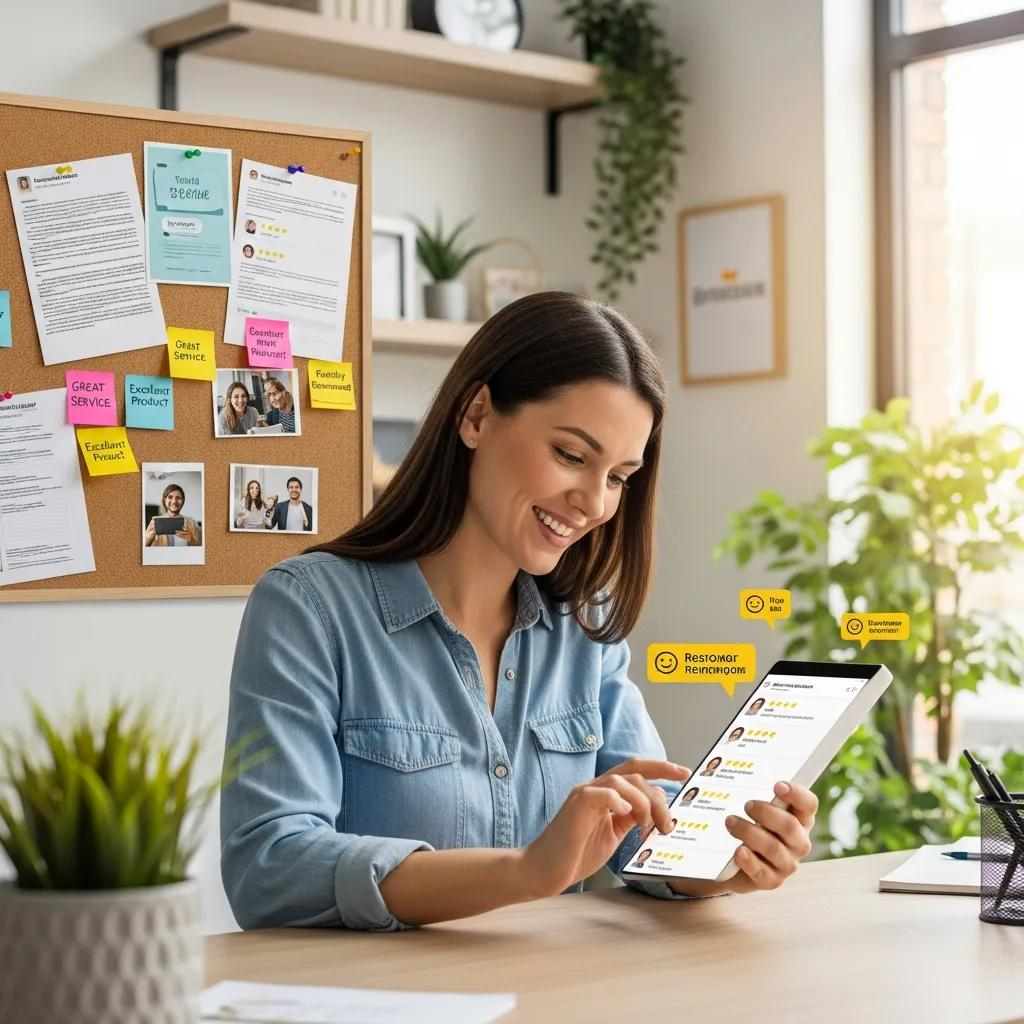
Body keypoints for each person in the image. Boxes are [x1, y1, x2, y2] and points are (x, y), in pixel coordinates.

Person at [221, 292, 818, 933]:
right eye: (570, 455)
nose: (592, 501)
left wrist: (726, 856)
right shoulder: (309, 609)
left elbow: (645, 824)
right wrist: (524, 871)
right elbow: (269, 866)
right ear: (477, 415)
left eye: (619, 476)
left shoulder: (582, 627)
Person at [144, 483, 202, 548]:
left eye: (178, 498)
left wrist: (192, 541)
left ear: (183, 501)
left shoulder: (192, 522)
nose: (174, 501)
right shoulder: (155, 522)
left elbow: (203, 549)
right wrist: (147, 541)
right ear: (164, 500)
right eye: (170, 497)